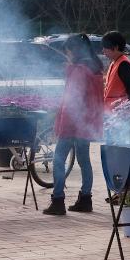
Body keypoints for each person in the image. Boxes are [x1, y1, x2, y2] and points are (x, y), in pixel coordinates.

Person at [44, 34, 104, 216]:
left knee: (58, 159)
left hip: (73, 123)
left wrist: (62, 126)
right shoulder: (95, 68)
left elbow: (72, 102)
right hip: (87, 122)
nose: (67, 55)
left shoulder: (79, 70)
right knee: (84, 161)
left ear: (74, 50)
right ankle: (86, 199)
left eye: (68, 51)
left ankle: (58, 200)